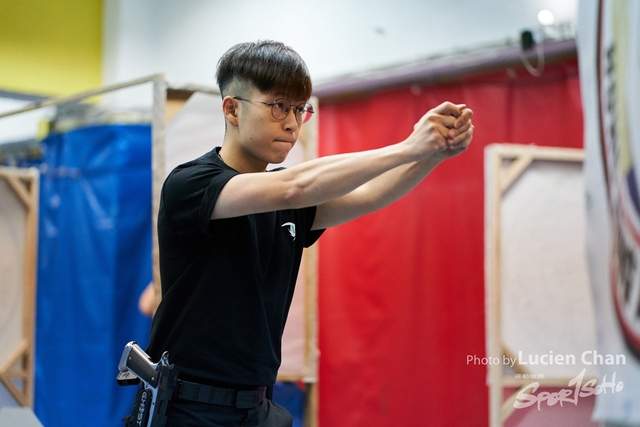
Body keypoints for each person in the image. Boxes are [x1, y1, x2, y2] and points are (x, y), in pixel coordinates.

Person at [123, 40, 473, 427]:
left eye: (299, 109)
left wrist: (433, 153)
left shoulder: (286, 199)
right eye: (277, 106)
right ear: (232, 108)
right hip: (190, 408)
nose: (291, 122)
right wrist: (408, 147)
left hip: (257, 407)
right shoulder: (192, 184)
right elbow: (296, 187)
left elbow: (372, 194)